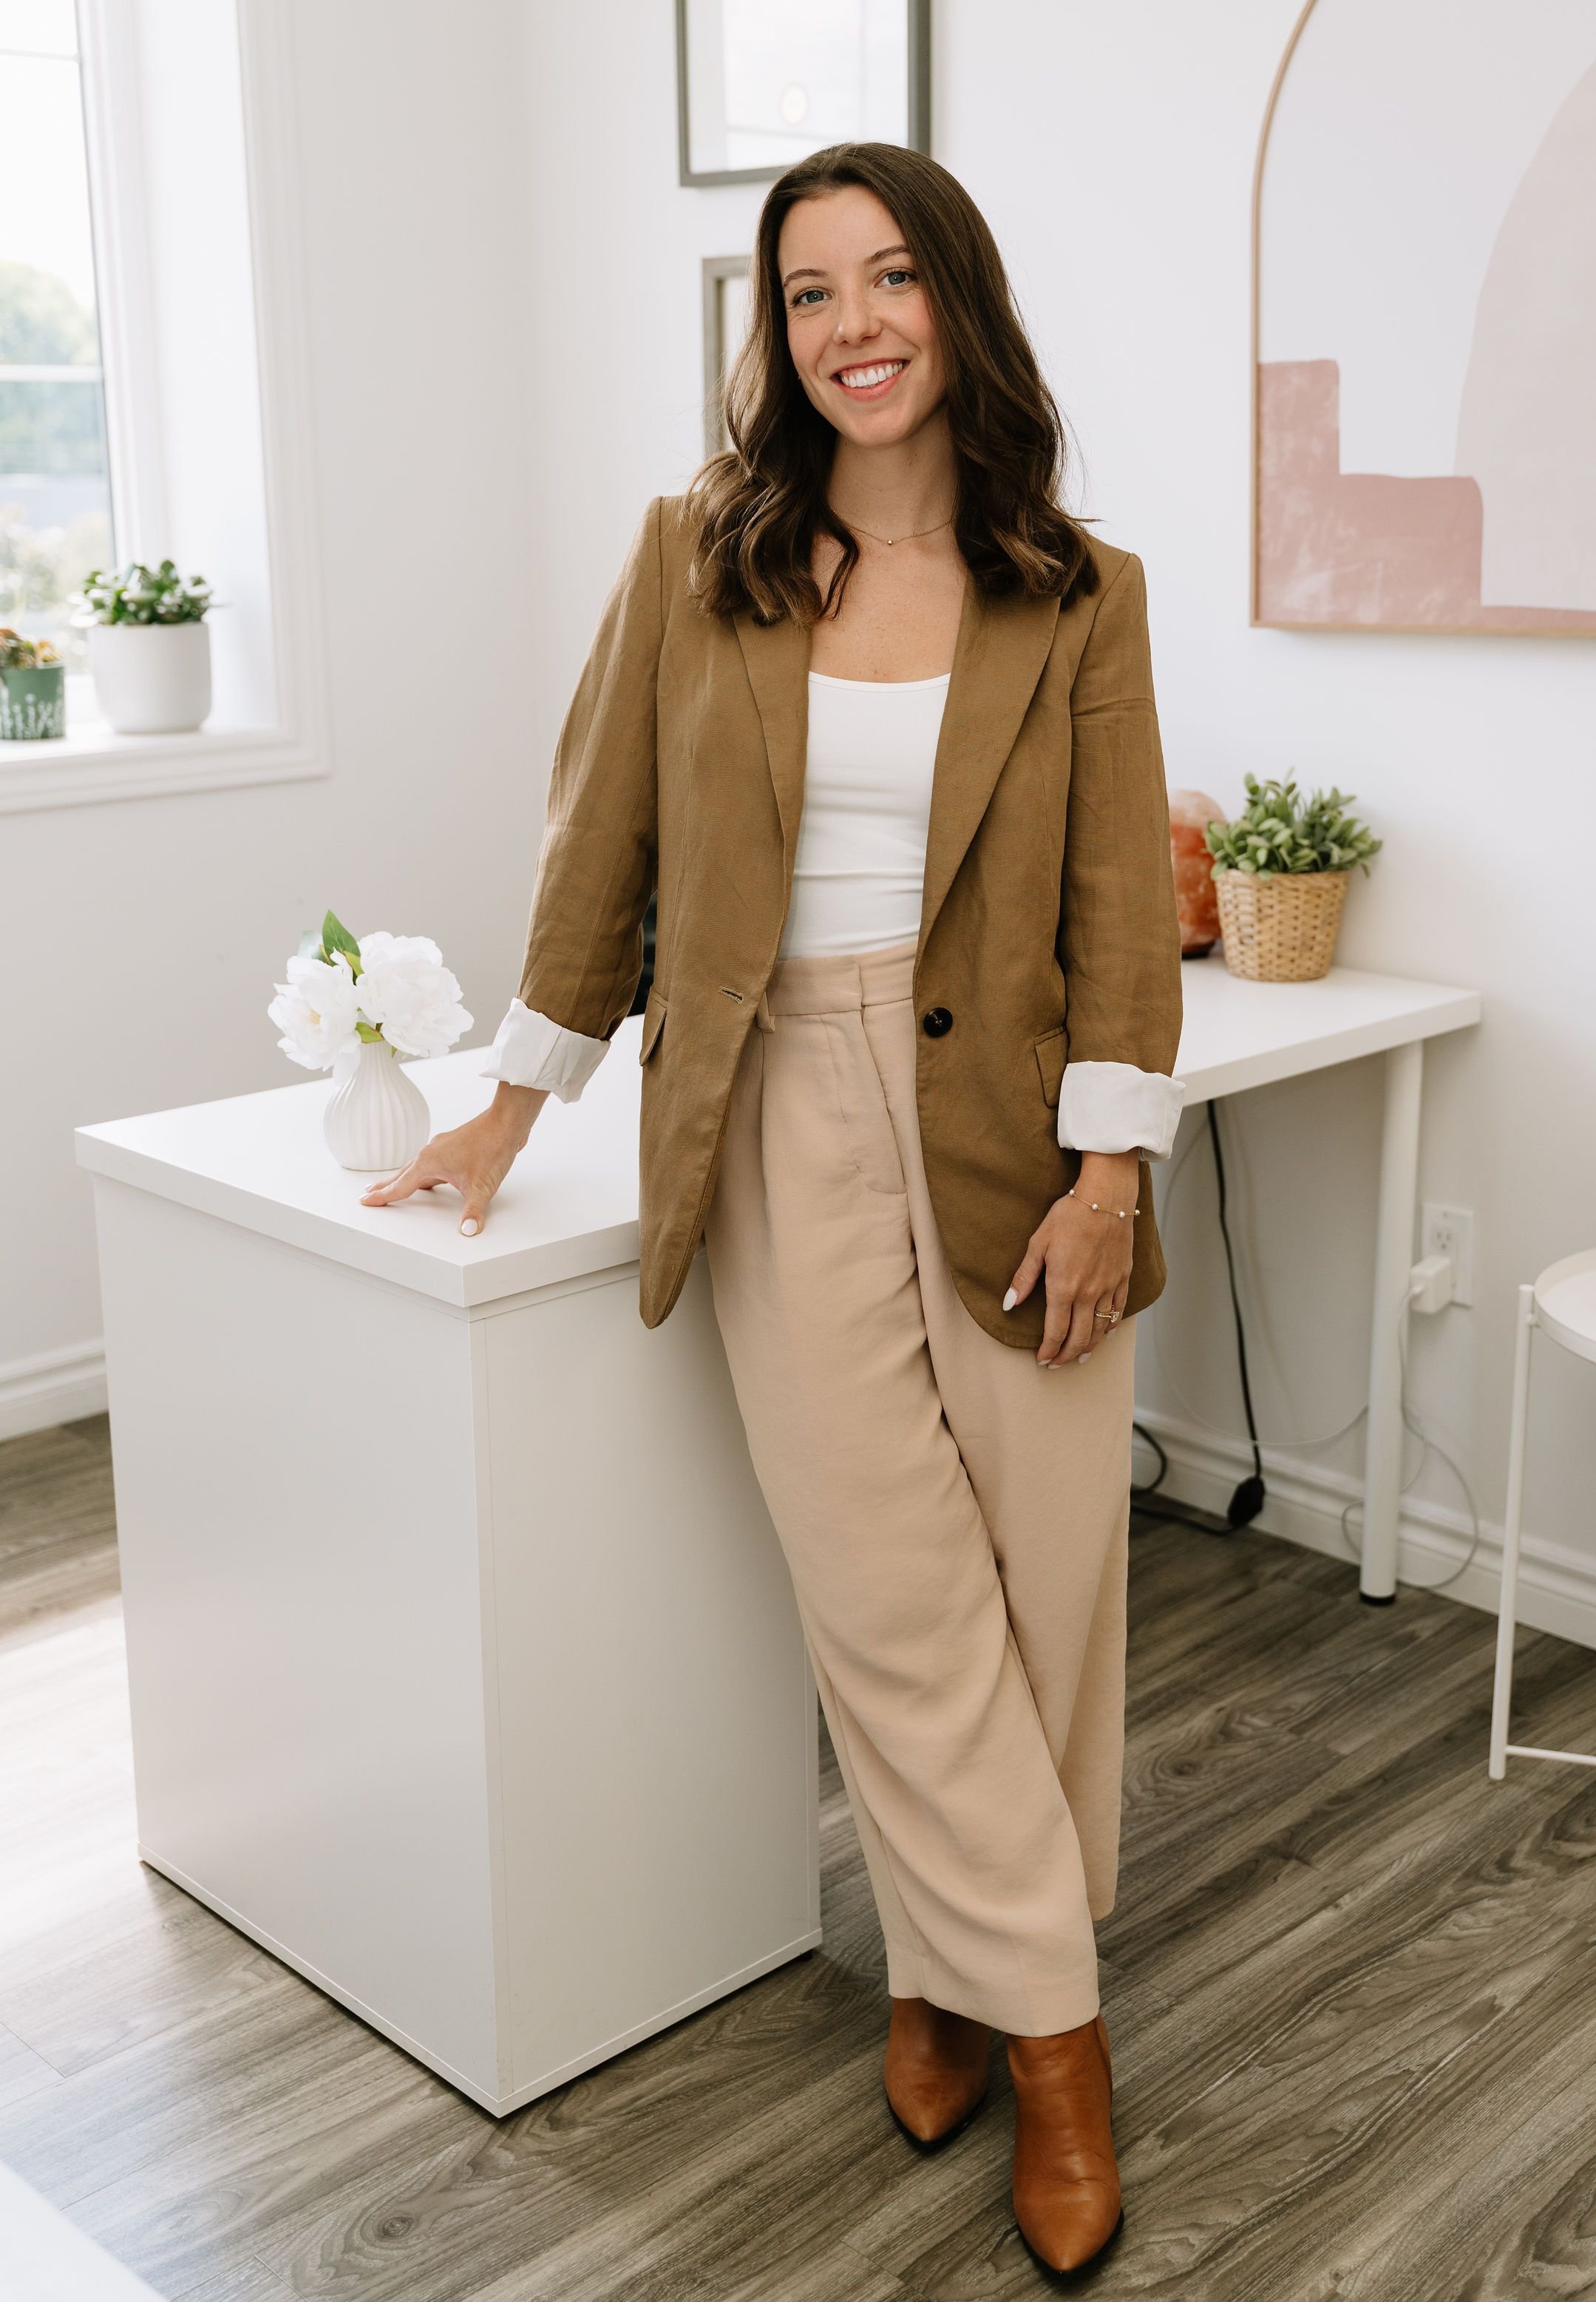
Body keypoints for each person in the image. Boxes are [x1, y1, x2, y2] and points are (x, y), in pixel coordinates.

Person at [364, 142, 1184, 2273]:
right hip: (773, 1100)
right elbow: (600, 846)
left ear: (957, 303)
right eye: (810, 292)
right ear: (777, 333)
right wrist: (512, 1104)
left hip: (1019, 1125)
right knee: (892, 1591)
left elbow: (1119, 902)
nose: (852, 326)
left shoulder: (1080, 587)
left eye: (889, 278)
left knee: (1049, 1588)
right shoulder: (698, 556)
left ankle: (946, 1967)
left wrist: (1113, 1170)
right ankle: (1063, 2039)